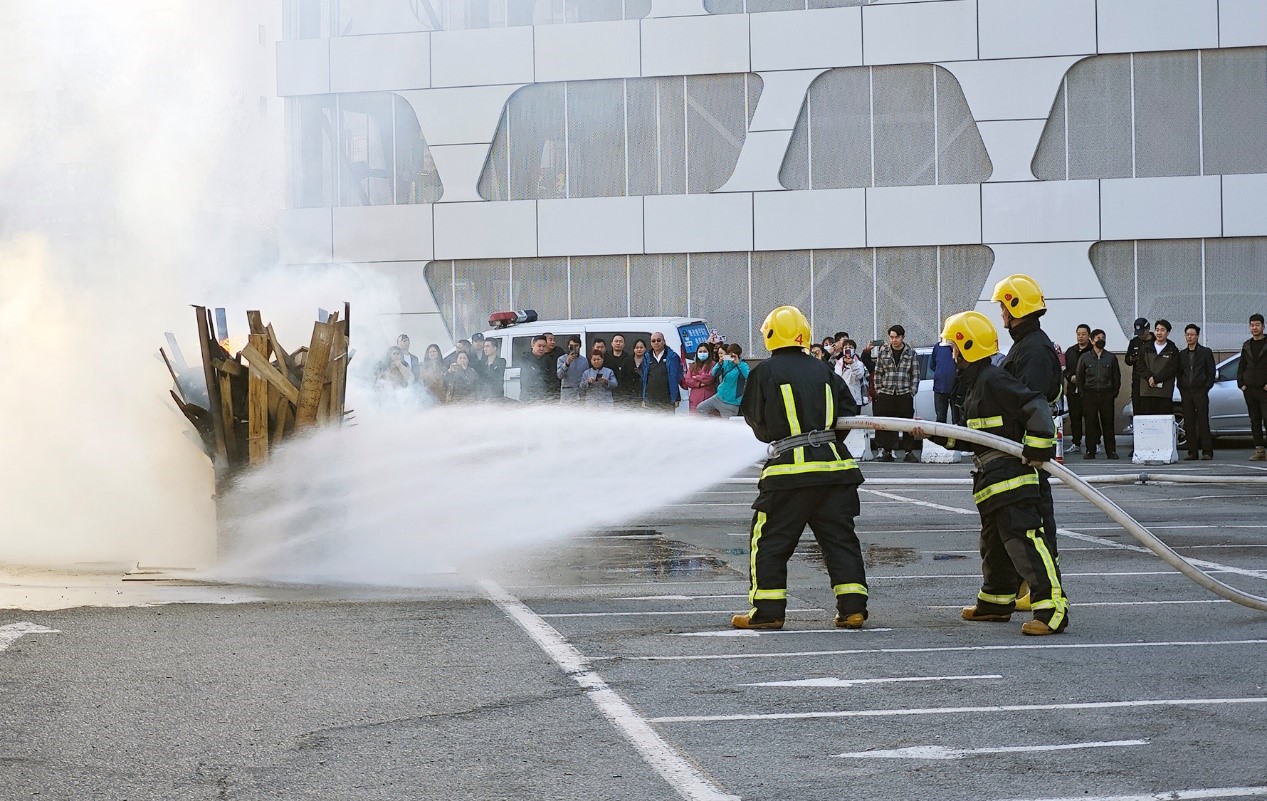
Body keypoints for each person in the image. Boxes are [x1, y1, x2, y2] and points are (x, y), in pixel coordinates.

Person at [920, 311, 1067, 636]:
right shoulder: (977, 386)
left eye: (955, 348)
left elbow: (1035, 406)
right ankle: (996, 602)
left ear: (967, 346)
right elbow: (974, 437)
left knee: (1024, 544)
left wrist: (1038, 447)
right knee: (995, 546)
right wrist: (929, 432)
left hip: (1013, 481)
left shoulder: (993, 380)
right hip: (993, 482)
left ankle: (1052, 609)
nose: (952, 355)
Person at [731, 306, 869, 631]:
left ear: (769, 336)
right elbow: (848, 411)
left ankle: (768, 612)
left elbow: (756, 420)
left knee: (768, 542)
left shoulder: (764, 372)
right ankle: (853, 610)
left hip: (788, 476)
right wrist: (823, 439)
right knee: (839, 541)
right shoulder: (825, 370)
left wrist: (782, 438)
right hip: (835, 471)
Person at [990, 274, 1063, 610]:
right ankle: (1024, 587)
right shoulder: (1027, 344)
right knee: (1023, 521)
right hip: (1018, 449)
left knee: (1035, 520)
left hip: (1025, 452)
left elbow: (1030, 404)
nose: (1001, 314)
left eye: (1004, 307)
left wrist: (1030, 447)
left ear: (1016, 306)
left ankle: (1046, 591)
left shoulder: (1033, 350)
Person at [862, 324, 920, 462]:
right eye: (892, 337)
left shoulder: (911, 353)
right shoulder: (884, 353)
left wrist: (912, 391)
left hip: (904, 392)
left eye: (897, 337)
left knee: (907, 423)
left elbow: (915, 374)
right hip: (886, 393)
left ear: (902, 337)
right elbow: (878, 373)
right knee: (886, 423)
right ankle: (886, 451)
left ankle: (908, 451)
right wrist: (879, 390)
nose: (894, 340)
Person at [1076, 329, 1121, 459]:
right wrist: (1082, 392)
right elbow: (1080, 377)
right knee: (1090, 424)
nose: (1100, 340)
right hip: (1089, 395)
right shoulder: (1085, 357)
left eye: (1102, 338)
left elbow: (1116, 377)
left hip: (1106, 395)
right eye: (1097, 338)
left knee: (1108, 424)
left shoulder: (1111, 357)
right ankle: (1090, 451)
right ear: (1091, 340)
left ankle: (1111, 451)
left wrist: (1114, 393)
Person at [1177, 324, 1216, 461]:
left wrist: (1206, 387)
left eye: (1192, 334)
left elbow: (1211, 371)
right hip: (1186, 392)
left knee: (1203, 421)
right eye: (1187, 334)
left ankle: (1207, 451)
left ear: (1197, 336)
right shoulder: (1182, 354)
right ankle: (1192, 452)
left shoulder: (1205, 352)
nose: (1189, 337)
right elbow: (1179, 373)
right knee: (1188, 422)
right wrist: (1181, 387)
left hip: (1200, 391)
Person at [1237, 313, 1267, 461]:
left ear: (1263, 326)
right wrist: (1241, 384)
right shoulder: (1247, 345)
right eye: (1252, 325)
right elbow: (1242, 365)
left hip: (1265, 389)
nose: (1254, 328)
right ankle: (1259, 450)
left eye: (1257, 325)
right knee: (1254, 419)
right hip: (1250, 389)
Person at [1136, 319, 1180, 416]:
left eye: (1162, 330)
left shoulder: (1172, 349)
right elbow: (1140, 365)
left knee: (1163, 421)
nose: (1159, 332)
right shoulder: (1145, 347)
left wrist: (1156, 379)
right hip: (1147, 391)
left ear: (1168, 332)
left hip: (1164, 392)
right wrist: (1149, 377)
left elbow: (1172, 368)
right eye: (1157, 330)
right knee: (1147, 422)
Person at [1063, 324, 1093, 454]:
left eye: (1083, 334)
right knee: (1075, 419)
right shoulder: (1070, 351)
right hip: (1073, 390)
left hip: (1088, 390)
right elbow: (1066, 369)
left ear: (1089, 335)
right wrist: (1070, 377)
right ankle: (1076, 443)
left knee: (1090, 418)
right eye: (1078, 334)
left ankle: (1093, 444)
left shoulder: (1092, 351)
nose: (1080, 337)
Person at [699, 344, 750, 417]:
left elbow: (748, 376)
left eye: (733, 355)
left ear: (739, 355)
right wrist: (719, 363)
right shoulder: (726, 363)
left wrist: (738, 364)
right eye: (729, 354)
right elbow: (713, 373)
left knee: (727, 425)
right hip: (719, 396)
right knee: (700, 408)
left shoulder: (743, 365)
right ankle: (710, 426)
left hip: (731, 402)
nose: (731, 357)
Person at [640, 332, 682, 412]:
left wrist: (676, 397)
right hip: (651, 399)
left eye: (658, 340)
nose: (656, 343)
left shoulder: (672, 356)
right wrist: (644, 397)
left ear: (664, 341)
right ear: (651, 343)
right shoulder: (647, 357)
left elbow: (678, 376)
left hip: (667, 399)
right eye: (653, 341)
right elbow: (644, 377)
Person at [1124, 317, 1154, 422]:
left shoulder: (1155, 340)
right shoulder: (1134, 342)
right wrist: (1133, 358)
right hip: (1138, 380)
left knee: (1152, 410)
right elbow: (1127, 360)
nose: (1141, 335)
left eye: (1142, 332)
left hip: (1152, 380)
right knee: (1138, 410)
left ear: (1148, 329)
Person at [682, 342, 718, 413]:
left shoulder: (713, 364)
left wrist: (695, 377)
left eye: (704, 351)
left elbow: (709, 378)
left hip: (708, 396)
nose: (702, 353)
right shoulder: (692, 366)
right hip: (695, 398)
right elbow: (688, 380)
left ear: (708, 353)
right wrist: (699, 384)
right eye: (700, 351)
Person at [519, 335, 555, 403]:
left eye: (544, 346)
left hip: (545, 398)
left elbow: (552, 379)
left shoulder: (549, 360)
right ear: (533, 345)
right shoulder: (526, 359)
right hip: (529, 397)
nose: (541, 348)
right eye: (539, 346)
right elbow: (526, 381)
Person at [606, 334, 639, 406]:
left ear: (624, 344)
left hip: (624, 395)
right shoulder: (606, 357)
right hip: (608, 394)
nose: (618, 343)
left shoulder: (629, 358)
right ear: (612, 344)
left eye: (620, 341)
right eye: (616, 341)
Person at [834, 339, 867, 409]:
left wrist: (852, 364)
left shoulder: (858, 363)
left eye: (850, 348)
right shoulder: (838, 363)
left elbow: (859, 375)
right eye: (845, 348)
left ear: (854, 350)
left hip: (854, 397)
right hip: (841, 398)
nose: (848, 349)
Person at [929, 338, 956, 424]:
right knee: (940, 418)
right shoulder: (938, 347)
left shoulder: (957, 347)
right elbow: (932, 365)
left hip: (955, 389)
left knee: (956, 418)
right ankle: (941, 438)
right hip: (939, 388)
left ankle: (957, 437)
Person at [557, 335, 588, 403]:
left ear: (580, 346)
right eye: (571, 345)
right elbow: (559, 375)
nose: (574, 348)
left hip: (580, 396)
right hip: (567, 396)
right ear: (568, 346)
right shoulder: (561, 359)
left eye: (576, 346)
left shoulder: (584, 360)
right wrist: (567, 363)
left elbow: (586, 377)